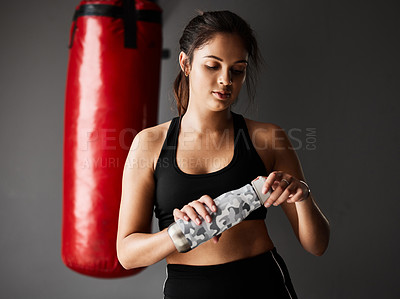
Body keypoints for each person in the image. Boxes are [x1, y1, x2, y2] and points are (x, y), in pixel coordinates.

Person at [117, 10, 330, 299]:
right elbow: (127, 254)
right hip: (187, 290)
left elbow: (317, 245)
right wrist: (182, 231)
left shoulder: (267, 138)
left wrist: (302, 196)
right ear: (186, 63)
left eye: (237, 69)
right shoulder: (150, 143)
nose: (225, 80)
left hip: (263, 287)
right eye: (212, 66)